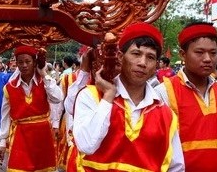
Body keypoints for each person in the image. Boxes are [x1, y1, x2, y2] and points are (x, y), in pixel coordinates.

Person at [73, 22, 185, 171]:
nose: (142, 63)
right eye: (136, 54)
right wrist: (108, 97)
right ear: (120, 57)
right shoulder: (91, 96)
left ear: (156, 66)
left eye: (150, 57)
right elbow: (86, 145)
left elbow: (176, 167)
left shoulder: (166, 115)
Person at [154, 21, 217, 172]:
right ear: (182, 54)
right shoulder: (163, 93)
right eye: (199, 52)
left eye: (213, 53)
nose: (207, 59)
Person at [0, 46, 63, 172]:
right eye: (20, 62)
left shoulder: (45, 82)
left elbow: (58, 98)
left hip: (42, 136)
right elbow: (4, 117)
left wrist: (43, 74)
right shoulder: (9, 88)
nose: (24, 65)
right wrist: (2, 143)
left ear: (34, 63)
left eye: (28, 61)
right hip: (21, 136)